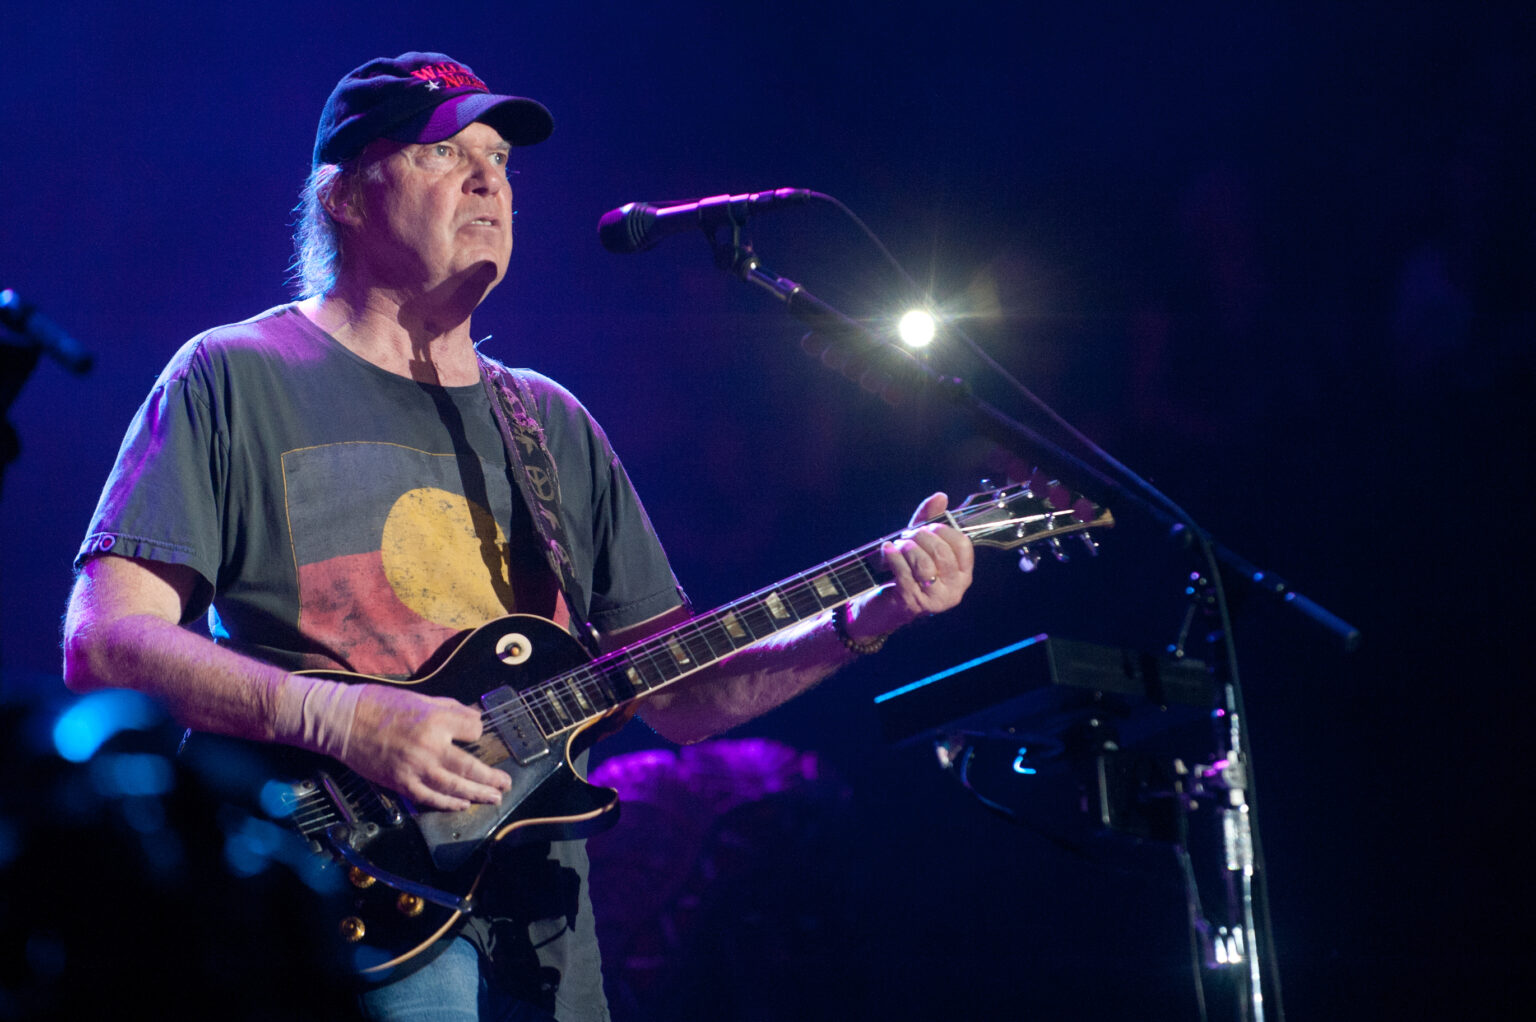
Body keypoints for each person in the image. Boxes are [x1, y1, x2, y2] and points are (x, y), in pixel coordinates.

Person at [60, 52, 973, 1021]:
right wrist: (344, 719)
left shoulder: (551, 422)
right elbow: (104, 642)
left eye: (499, 158)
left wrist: (867, 615)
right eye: (448, 152)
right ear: (347, 194)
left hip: (545, 940)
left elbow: (684, 695)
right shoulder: (233, 374)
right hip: (340, 913)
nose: (489, 178)